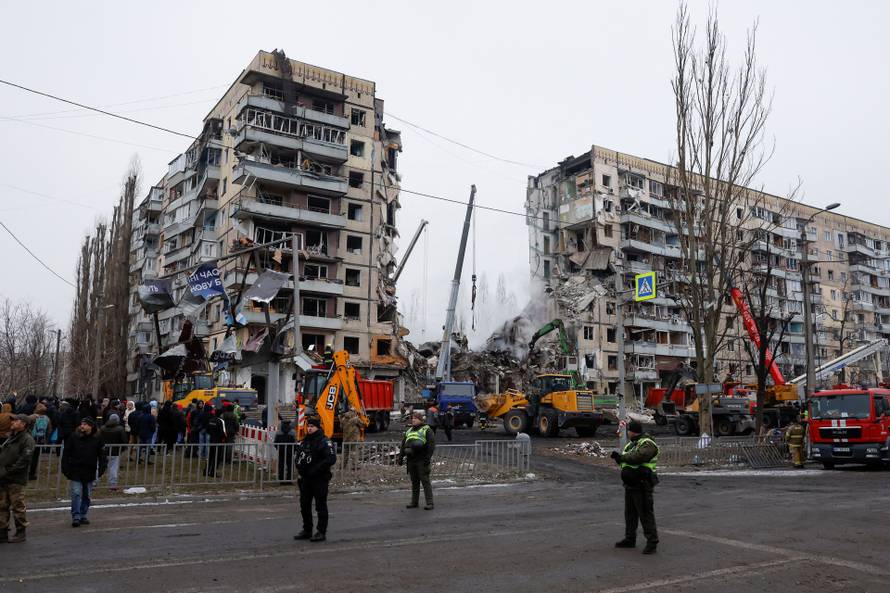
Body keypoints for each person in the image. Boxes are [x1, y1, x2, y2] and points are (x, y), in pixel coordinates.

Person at [610, 420, 659, 554]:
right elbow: (627, 459)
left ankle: (652, 542)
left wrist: (622, 458)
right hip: (631, 484)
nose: (628, 433)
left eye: (629, 430)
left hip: (642, 483)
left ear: (632, 431)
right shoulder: (631, 444)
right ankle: (630, 538)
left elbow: (640, 457)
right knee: (630, 514)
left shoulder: (647, 443)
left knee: (645, 514)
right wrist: (619, 459)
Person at [294, 416, 336, 542]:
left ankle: (321, 532)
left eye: (312, 426)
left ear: (317, 427)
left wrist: (316, 469)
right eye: (309, 426)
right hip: (306, 479)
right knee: (304, 505)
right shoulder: (306, 440)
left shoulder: (324, 441)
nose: (310, 428)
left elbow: (330, 459)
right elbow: (300, 456)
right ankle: (307, 530)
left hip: (319, 479)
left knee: (320, 505)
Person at [62, 418, 107, 527]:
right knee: (76, 493)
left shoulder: (97, 439)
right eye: (81, 424)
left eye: (85, 424)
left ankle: (83, 514)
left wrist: (101, 468)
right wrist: (65, 468)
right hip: (75, 469)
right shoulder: (74, 437)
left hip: (90, 470)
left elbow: (102, 455)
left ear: (91, 427)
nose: (82, 426)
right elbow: (66, 452)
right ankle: (76, 516)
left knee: (87, 495)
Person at [0, 415, 36, 542]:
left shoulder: (27, 439)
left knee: (17, 506)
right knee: (2, 506)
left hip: (16, 479)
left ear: (24, 424)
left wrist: (8, 471)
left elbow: (24, 460)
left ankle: (21, 532)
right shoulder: (11, 437)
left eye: (16, 421)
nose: (13, 422)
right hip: (3, 478)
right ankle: (2, 532)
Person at [398, 411, 435, 510]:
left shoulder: (427, 430)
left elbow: (431, 446)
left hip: (421, 460)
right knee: (414, 482)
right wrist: (400, 458)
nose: (413, 419)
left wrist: (427, 458)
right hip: (411, 460)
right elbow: (403, 445)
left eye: (415, 418)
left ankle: (430, 503)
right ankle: (414, 502)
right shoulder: (409, 430)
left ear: (421, 420)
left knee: (425, 481)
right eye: (412, 418)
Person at [99, 414, 127, 490]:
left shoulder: (102, 428)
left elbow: (98, 438)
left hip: (103, 451)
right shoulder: (120, 429)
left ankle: (95, 483)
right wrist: (122, 449)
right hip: (115, 451)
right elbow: (124, 440)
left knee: (98, 467)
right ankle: (112, 484)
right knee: (113, 468)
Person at [28, 404, 52, 480]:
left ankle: (25, 472)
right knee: (35, 457)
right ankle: (32, 473)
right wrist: (46, 440)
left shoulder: (31, 417)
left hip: (30, 439)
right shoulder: (47, 418)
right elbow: (49, 430)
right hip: (40, 440)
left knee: (27, 456)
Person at [204, 408, 227, 477]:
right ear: (220, 414)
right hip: (218, 441)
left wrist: (212, 434)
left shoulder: (211, 420)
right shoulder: (221, 421)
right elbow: (223, 432)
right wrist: (224, 438)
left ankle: (206, 471)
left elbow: (207, 430)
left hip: (211, 440)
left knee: (210, 456)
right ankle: (213, 472)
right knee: (216, 457)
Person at [274, 420, 296, 484]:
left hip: (281, 452)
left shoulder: (278, 432)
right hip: (290, 451)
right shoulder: (293, 432)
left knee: (281, 466)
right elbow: (295, 442)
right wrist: (294, 450)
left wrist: (278, 448)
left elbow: (275, 442)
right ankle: (289, 480)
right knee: (290, 466)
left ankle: (281, 480)